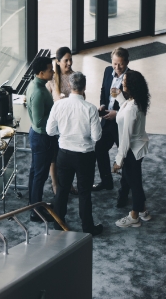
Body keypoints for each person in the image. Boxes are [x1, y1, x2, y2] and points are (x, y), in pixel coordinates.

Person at [46, 72, 103, 236]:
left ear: (70, 86)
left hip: (64, 154)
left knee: (62, 189)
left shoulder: (58, 105)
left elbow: (50, 131)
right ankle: (87, 227)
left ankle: (59, 224)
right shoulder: (91, 109)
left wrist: (64, 133)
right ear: (84, 87)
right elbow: (96, 137)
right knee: (84, 192)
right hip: (85, 155)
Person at [111, 70, 151, 227]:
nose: (122, 82)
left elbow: (125, 138)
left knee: (134, 183)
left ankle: (134, 216)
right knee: (134, 180)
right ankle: (142, 210)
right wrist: (120, 96)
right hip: (138, 149)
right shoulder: (136, 102)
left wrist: (118, 161)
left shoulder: (131, 109)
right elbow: (126, 109)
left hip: (131, 152)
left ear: (132, 86)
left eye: (125, 81)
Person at [93, 47, 130, 195]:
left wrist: (118, 113)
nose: (117, 67)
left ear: (127, 62)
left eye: (120, 64)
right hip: (107, 121)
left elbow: (133, 104)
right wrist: (102, 104)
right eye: (114, 64)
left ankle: (125, 188)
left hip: (122, 124)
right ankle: (106, 181)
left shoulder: (131, 77)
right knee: (99, 149)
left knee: (125, 156)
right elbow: (103, 90)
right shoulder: (108, 71)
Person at [26, 56, 57, 222]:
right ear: (41, 73)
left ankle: (33, 204)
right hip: (42, 137)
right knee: (40, 175)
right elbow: (38, 121)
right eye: (50, 69)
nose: (52, 71)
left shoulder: (34, 85)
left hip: (38, 135)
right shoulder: (38, 92)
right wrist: (56, 115)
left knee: (34, 172)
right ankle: (36, 212)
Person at [46, 46, 78, 196]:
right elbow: (47, 101)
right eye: (66, 60)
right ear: (58, 62)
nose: (69, 63)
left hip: (71, 123)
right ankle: (55, 183)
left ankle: (68, 182)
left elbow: (82, 98)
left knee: (69, 154)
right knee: (54, 155)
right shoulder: (52, 80)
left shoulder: (75, 77)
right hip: (57, 123)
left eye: (71, 59)